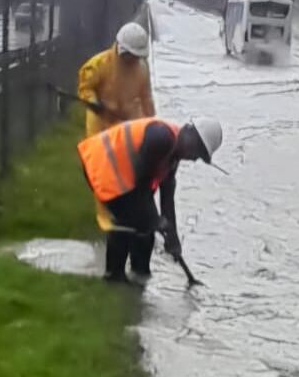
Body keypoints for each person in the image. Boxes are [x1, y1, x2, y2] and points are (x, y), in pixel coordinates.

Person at [76, 116, 224, 284]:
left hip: (125, 177)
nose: (195, 158)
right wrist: (155, 221)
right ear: (188, 131)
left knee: (144, 224)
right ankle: (114, 277)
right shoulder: (161, 138)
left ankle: (140, 274)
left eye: (201, 156)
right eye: (197, 150)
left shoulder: (174, 155)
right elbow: (140, 186)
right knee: (128, 220)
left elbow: (167, 200)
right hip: (103, 166)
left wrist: (173, 238)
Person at [78, 22, 156, 229]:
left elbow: (146, 98)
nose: (131, 60)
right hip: (100, 118)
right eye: (129, 56)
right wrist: (94, 102)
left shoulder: (142, 69)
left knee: (127, 166)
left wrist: (152, 122)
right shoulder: (99, 64)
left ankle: (124, 209)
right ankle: (104, 214)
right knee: (101, 166)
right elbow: (86, 87)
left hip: (125, 120)